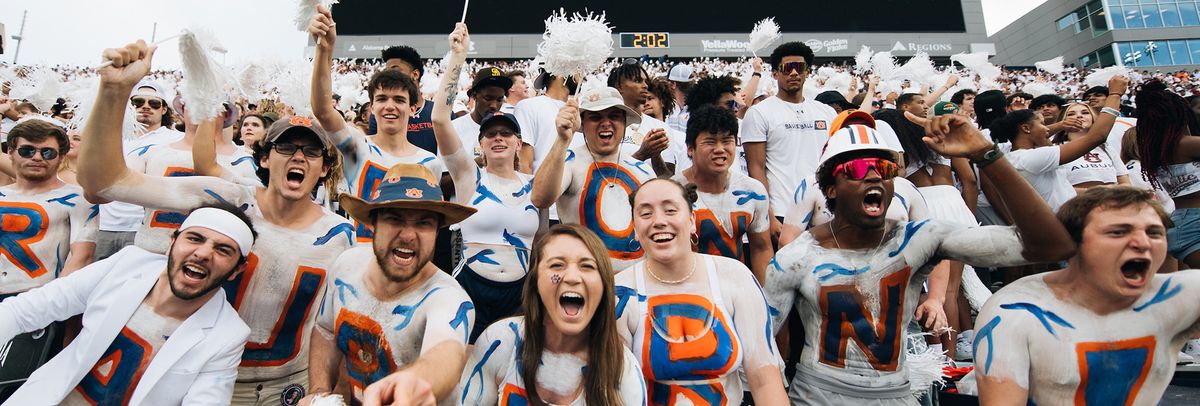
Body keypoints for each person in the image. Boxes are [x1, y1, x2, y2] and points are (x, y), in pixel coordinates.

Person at [76, 39, 356, 405]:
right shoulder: (226, 199)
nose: (298, 157)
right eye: (286, 148)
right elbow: (103, 181)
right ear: (265, 159)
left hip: (286, 389)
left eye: (311, 151)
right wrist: (114, 91)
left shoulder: (342, 236)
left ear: (324, 168)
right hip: (195, 377)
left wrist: (327, 391)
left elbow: (338, 326)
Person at [767, 115, 1076, 404]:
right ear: (831, 189)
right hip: (817, 397)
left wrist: (985, 154)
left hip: (897, 395)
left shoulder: (918, 238)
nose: (874, 175)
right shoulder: (796, 258)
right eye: (858, 169)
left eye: (884, 168)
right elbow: (762, 347)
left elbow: (1051, 245)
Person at [0, 203, 254, 404]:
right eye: (195, 238)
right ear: (171, 243)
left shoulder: (228, 335)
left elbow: (207, 400)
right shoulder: (126, 264)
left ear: (236, 270)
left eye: (223, 250)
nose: (203, 253)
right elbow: (26, 309)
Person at [973, 186, 1200, 405]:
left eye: (1154, 232)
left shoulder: (1181, 295)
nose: (1143, 243)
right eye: (1118, 232)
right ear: (1072, 244)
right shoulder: (1015, 312)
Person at [307, 163, 476, 405]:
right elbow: (325, 330)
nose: (408, 235)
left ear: (437, 232)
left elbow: (446, 354)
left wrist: (415, 381)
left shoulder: (448, 298)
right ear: (372, 224)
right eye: (394, 219)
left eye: (423, 223)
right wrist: (319, 391)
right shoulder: (347, 266)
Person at [616, 177, 787, 405]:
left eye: (670, 210)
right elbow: (615, 388)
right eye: (646, 214)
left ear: (692, 220)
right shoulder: (621, 293)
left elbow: (764, 378)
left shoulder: (735, 276)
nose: (659, 221)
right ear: (635, 229)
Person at [455, 224, 646, 405]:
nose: (572, 277)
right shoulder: (499, 343)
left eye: (587, 266)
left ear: (604, 286)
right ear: (535, 282)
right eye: (557, 265)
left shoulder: (623, 370)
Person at [432, 24, 539, 343]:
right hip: (472, 286)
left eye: (506, 133)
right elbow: (439, 119)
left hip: (520, 293)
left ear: (519, 143)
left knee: (513, 371)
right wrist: (457, 58)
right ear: (480, 141)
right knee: (467, 370)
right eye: (491, 134)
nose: (498, 138)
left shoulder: (534, 184)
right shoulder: (469, 175)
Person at [308, 5, 446, 245]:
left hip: (404, 267)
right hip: (357, 267)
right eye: (381, 99)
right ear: (371, 107)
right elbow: (322, 109)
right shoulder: (357, 146)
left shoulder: (430, 163)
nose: (390, 106)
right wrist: (324, 50)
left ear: (413, 108)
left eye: (399, 100)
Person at [530, 87, 656, 272]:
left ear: (624, 122)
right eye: (596, 117)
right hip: (586, 282)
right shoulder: (570, 163)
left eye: (614, 116)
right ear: (583, 124)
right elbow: (540, 198)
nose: (606, 123)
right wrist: (562, 140)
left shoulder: (644, 171)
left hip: (636, 282)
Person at [987, 76, 1129, 213]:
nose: (1048, 128)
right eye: (1042, 124)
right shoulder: (1028, 158)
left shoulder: (1017, 153)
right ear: (1026, 128)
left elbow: (1039, 133)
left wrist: (1061, 124)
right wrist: (1115, 95)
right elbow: (1096, 137)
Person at [742, 41, 837, 246]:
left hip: (825, 212)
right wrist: (769, 217)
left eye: (800, 67)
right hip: (783, 212)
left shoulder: (826, 112)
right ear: (775, 74)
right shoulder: (759, 113)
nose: (794, 73)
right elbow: (755, 169)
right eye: (787, 68)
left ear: (807, 72)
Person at [671, 105, 771, 283]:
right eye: (710, 142)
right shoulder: (670, 192)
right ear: (690, 148)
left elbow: (761, 249)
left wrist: (765, 300)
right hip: (687, 292)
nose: (719, 149)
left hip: (735, 292)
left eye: (726, 141)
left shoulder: (753, 191)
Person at [1, 119, 98, 294]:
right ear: (10, 152)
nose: (37, 157)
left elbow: (82, 258)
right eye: (27, 151)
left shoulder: (78, 199)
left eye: (47, 153)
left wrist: (49, 304)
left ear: (61, 156)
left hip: (37, 301)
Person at [93, 79, 184, 260]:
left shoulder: (176, 139)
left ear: (164, 109)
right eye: (138, 102)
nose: (146, 107)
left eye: (154, 103)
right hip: (105, 225)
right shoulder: (113, 137)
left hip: (145, 227)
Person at [1134, 79, 1200, 268]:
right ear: (1181, 114)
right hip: (1195, 222)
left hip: (1183, 219)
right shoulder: (1186, 144)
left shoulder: (1159, 148)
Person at [1051, 102, 1130, 192]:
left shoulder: (1106, 148)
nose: (1079, 116)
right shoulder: (1055, 149)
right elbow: (1055, 188)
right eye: (1071, 114)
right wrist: (1097, 192)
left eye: (1085, 113)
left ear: (1093, 118)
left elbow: (1126, 184)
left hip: (1113, 202)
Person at [451, 66, 514, 162]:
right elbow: (443, 175)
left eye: (499, 100)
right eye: (488, 98)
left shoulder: (510, 130)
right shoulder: (454, 129)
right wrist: (476, 165)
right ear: (475, 95)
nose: (494, 105)